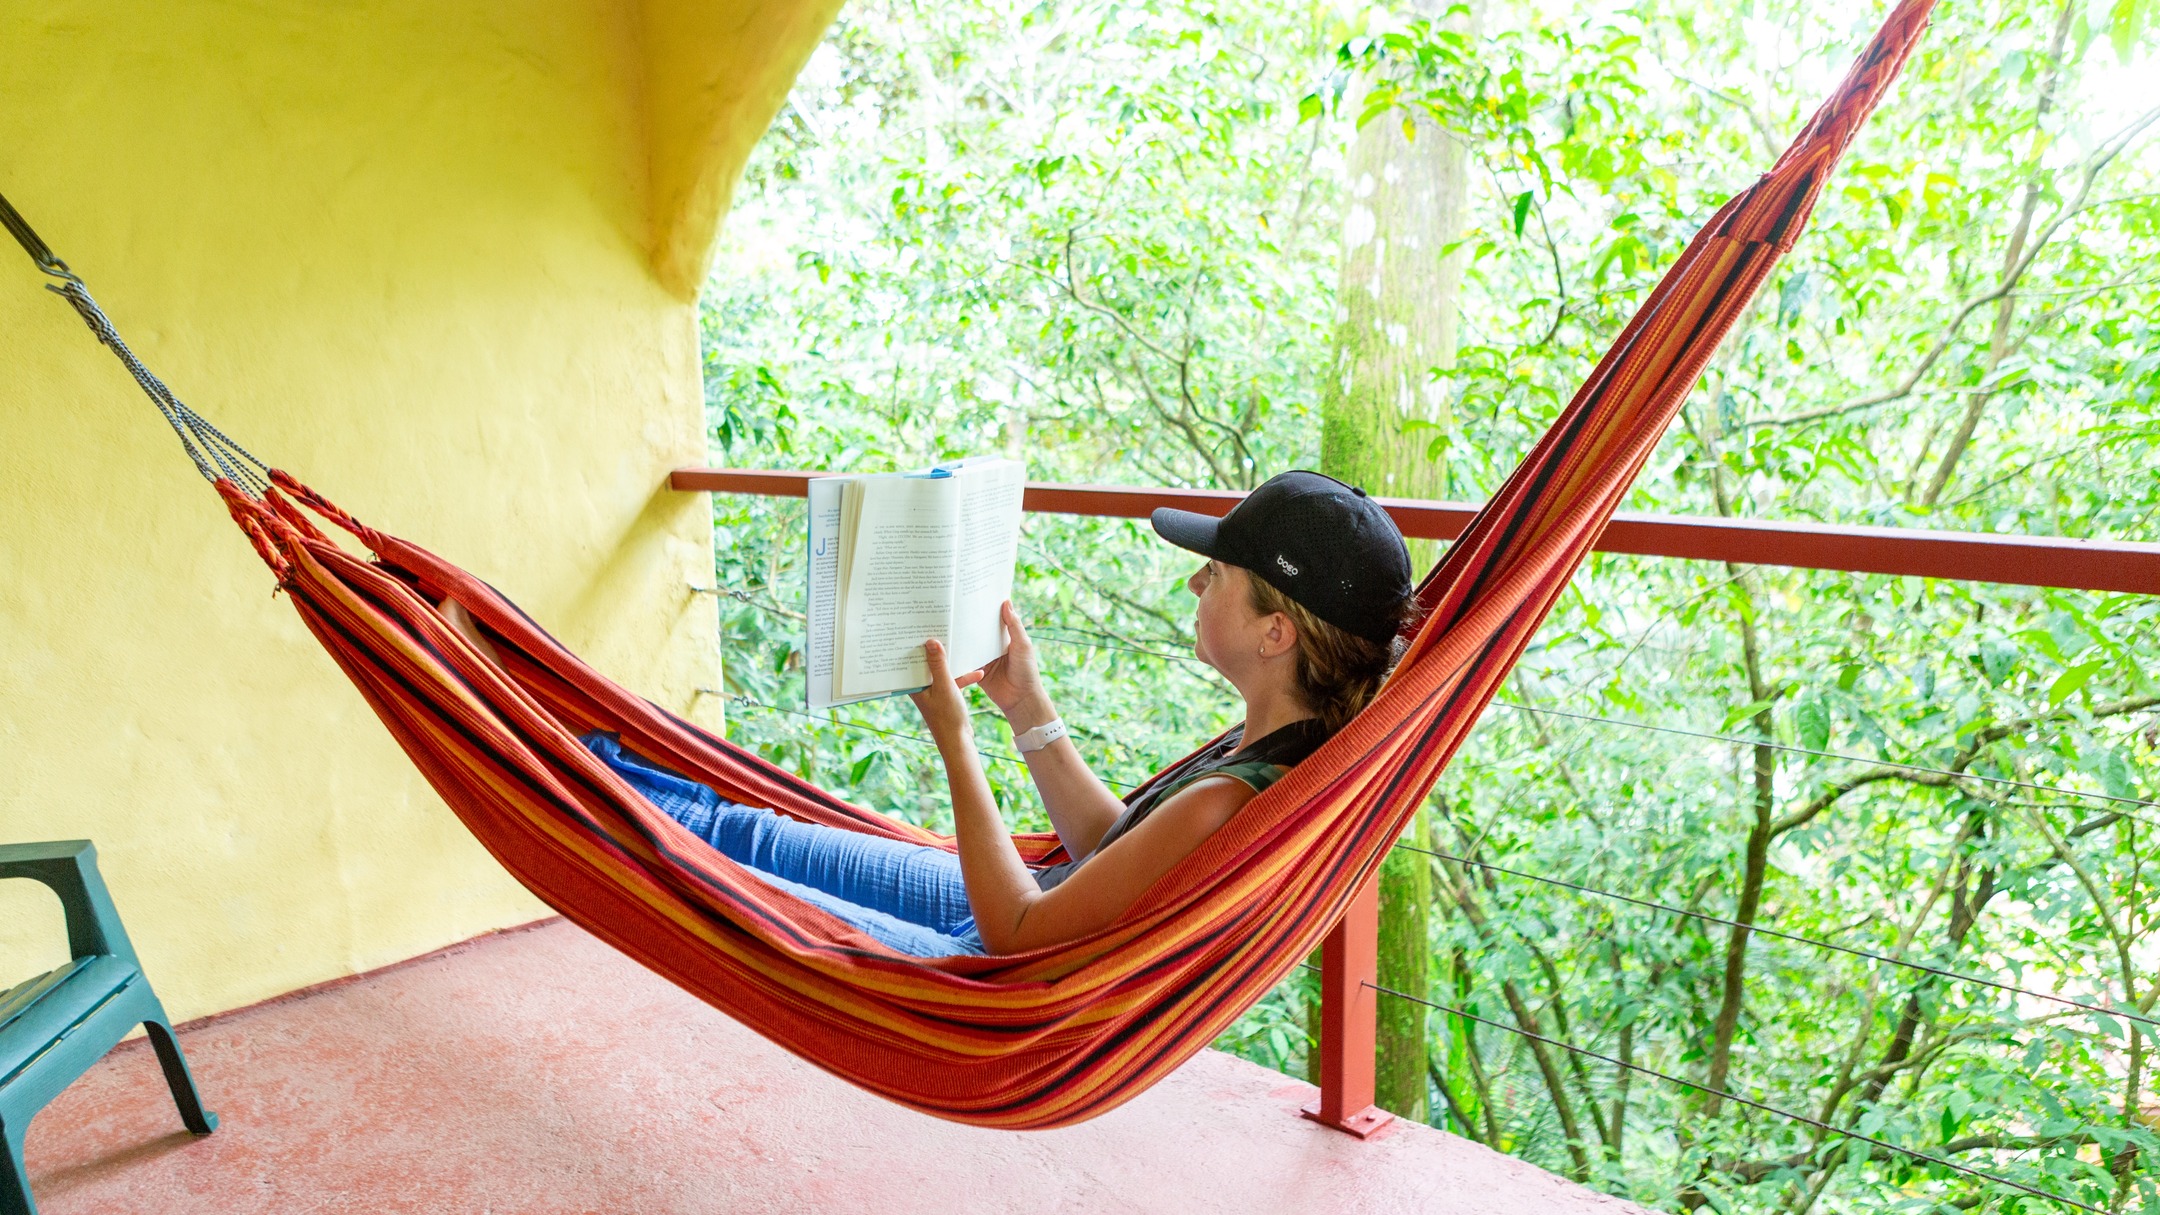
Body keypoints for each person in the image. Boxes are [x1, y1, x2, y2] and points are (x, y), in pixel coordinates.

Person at [446, 470, 1415, 958]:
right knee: (737, 824)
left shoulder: (1235, 798)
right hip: (1018, 910)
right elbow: (1114, 848)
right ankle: (549, 727)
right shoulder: (1284, 745)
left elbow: (1016, 935)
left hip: (979, 977)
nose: (1197, 582)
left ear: (1278, 632)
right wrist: (1025, 706)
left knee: (685, 862)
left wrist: (954, 739)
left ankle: (517, 730)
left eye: (1219, 575)